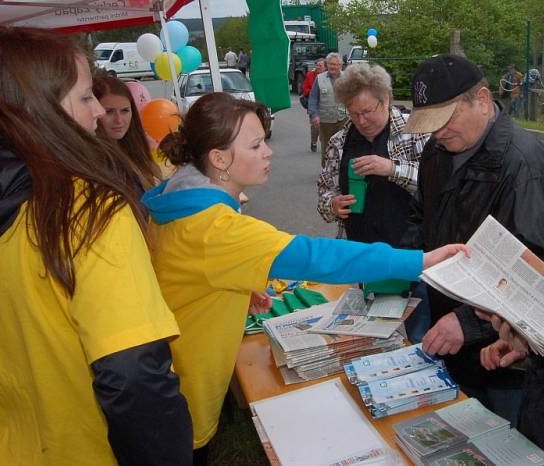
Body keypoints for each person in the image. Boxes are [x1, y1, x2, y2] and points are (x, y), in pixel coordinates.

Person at [141, 92, 467, 464]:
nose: (269, 152)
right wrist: (419, 261)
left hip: (173, 368)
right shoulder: (216, 228)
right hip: (189, 387)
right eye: (255, 144)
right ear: (219, 160)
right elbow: (319, 257)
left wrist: (233, 286)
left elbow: (190, 272)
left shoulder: (179, 197)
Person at [0, 26, 191, 465]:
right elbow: (133, 373)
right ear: (39, 107)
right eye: (85, 97)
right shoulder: (87, 209)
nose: (99, 111)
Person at [400, 54, 544, 451]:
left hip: (503, 355)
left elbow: (534, 272)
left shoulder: (525, 163)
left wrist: (468, 325)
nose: (437, 133)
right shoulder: (436, 153)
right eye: (429, 124)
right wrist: (400, 266)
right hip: (450, 339)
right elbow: (421, 218)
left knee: (508, 449)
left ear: (483, 100)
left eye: (446, 119)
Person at [317, 62, 427, 246]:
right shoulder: (339, 141)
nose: (361, 121)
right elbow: (324, 191)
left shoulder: (415, 132)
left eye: (367, 111)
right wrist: (332, 205)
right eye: (353, 113)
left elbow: (436, 185)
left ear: (386, 101)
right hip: (356, 247)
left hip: (408, 249)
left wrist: (392, 169)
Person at [93, 73, 162, 186]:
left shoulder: (138, 149)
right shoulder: (92, 161)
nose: (119, 120)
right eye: (109, 112)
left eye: (125, 111)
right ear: (94, 112)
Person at [308, 52, 349, 166]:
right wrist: (314, 115)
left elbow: (353, 96)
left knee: (343, 146)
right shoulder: (319, 79)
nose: (333, 67)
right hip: (325, 120)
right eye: (331, 64)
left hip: (343, 119)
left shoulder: (347, 77)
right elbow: (313, 98)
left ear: (340, 65)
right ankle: (326, 171)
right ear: (327, 64)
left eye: (336, 64)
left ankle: (340, 171)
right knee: (326, 146)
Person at [303, 58, 326, 152]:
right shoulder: (310, 75)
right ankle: (314, 141)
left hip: (326, 104)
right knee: (315, 126)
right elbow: (305, 89)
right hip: (314, 104)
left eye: (320, 65)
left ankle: (325, 144)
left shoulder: (328, 76)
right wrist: (314, 91)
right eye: (317, 65)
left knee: (325, 126)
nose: (318, 67)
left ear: (325, 67)